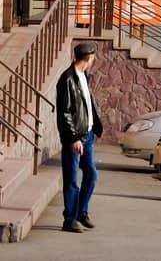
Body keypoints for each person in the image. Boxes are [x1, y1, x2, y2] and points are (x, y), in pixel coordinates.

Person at [56, 42, 103, 234]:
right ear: (88, 58)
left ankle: (81, 212)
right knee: (72, 179)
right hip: (74, 138)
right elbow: (64, 113)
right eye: (93, 58)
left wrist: (93, 128)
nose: (94, 60)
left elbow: (87, 106)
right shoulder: (67, 79)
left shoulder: (84, 76)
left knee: (91, 175)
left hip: (88, 135)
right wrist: (73, 138)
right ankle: (69, 219)